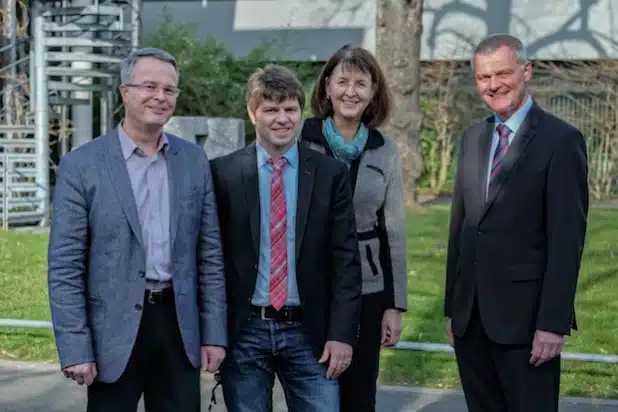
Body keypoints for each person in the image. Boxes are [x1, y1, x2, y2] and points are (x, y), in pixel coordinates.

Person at [47, 47, 227, 412]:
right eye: (149, 86)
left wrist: (215, 335)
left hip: (178, 328)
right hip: (111, 332)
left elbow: (209, 256)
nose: (160, 97)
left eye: (169, 89)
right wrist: (75, 347)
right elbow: (65, 266)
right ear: (124, 91)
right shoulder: (81, 165)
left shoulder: (193, 161)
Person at [444, 33, 589, 412]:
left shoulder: (561, 141)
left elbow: (566, 241)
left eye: (503, 73)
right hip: (471, 321)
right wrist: (453, 310)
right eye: (483, 78)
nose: (493, 85)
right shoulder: (472, 139)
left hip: (527, 325)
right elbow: (461, 229)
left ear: (526, 71)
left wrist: (553, 323)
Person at [209, 64, 362, 412]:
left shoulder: (329, 174)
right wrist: (214, 335)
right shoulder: (223, 174)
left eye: (290, 108)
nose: (282, 118)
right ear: (252, 113)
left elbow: (346, 261)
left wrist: (341, 335)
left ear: (301, 112)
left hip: (310, 333)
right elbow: (211, 261)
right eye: (271, 109)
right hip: (245, 330)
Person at [299, 44, 408, 411]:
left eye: (361, 83)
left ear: (373, 92)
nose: (350, 91)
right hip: (311, 283)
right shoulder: (301, 139)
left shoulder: (385, 150)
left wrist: (395, 305)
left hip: (368, 288)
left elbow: (393, 230)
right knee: (314, 388)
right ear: (327, 86)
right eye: (342, 81)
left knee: (360, 392)